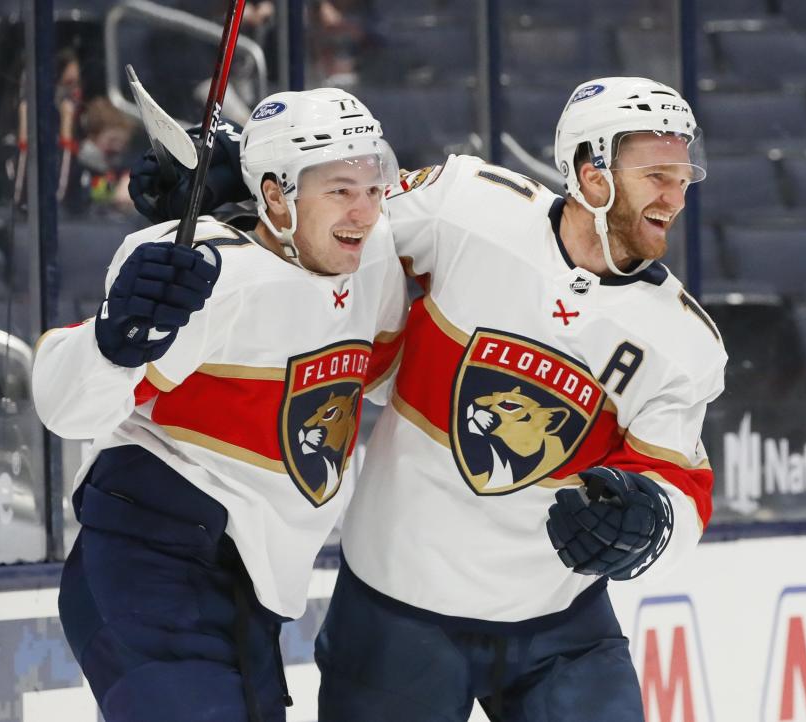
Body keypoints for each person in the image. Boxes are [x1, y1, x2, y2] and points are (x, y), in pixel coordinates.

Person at [131, 76, 727, 722]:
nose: (678, 193)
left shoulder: (683, 341)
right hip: (398, 611)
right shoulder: (467, 207)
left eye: (683, 173)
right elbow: (342, 218)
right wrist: (240, 182)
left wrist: (649, 526)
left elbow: (678, 484)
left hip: (558, 629)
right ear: (591, 172)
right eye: (656, 173)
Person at [33, 87, 407, 722]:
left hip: (246, 594)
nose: (364, 212)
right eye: (340, 190)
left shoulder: (374, 265)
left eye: (373, 188)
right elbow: (67, 409)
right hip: (148, 562)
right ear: (276, 196)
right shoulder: (205, 270)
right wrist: (113, 337)